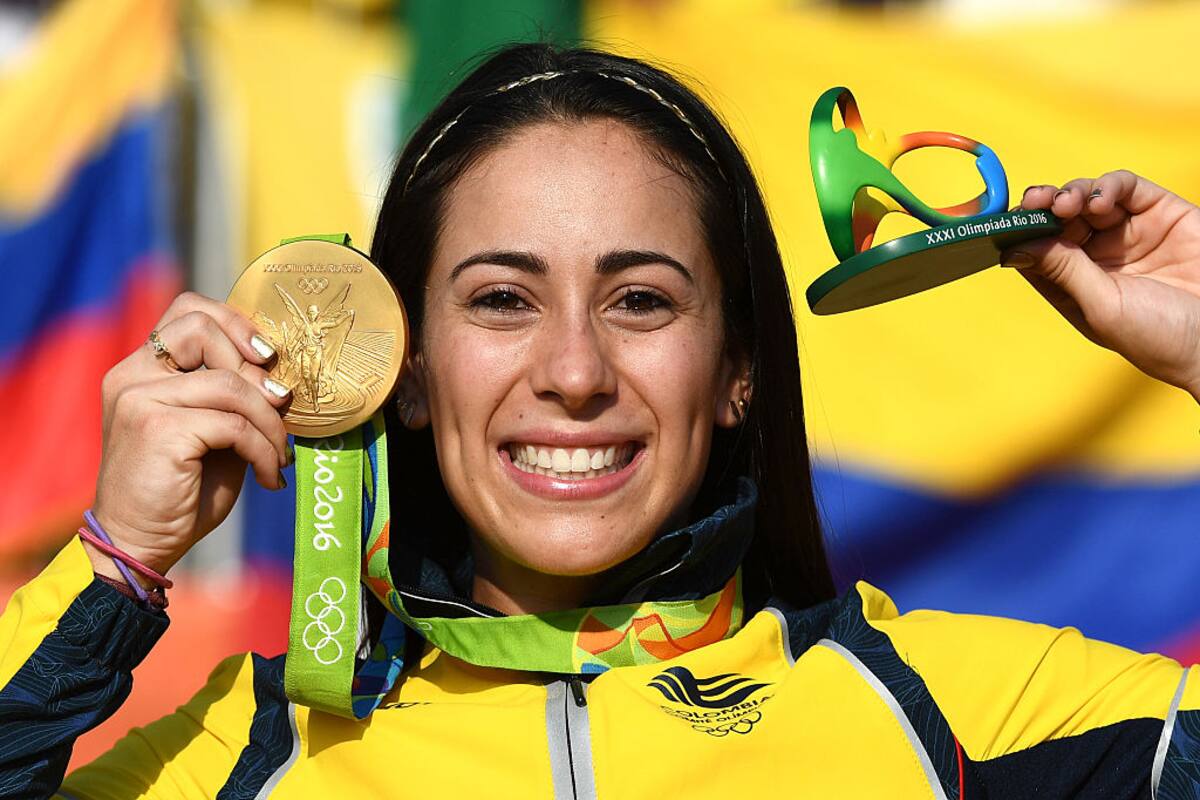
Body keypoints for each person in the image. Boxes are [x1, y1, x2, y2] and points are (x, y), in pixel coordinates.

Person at [1, 43, 1199, 799]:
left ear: (737, 370)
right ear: (405, 370)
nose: (574, 370)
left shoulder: (943, 705)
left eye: (639, 299)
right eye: (502, 300)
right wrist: (114, 561)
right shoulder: (253, 750)